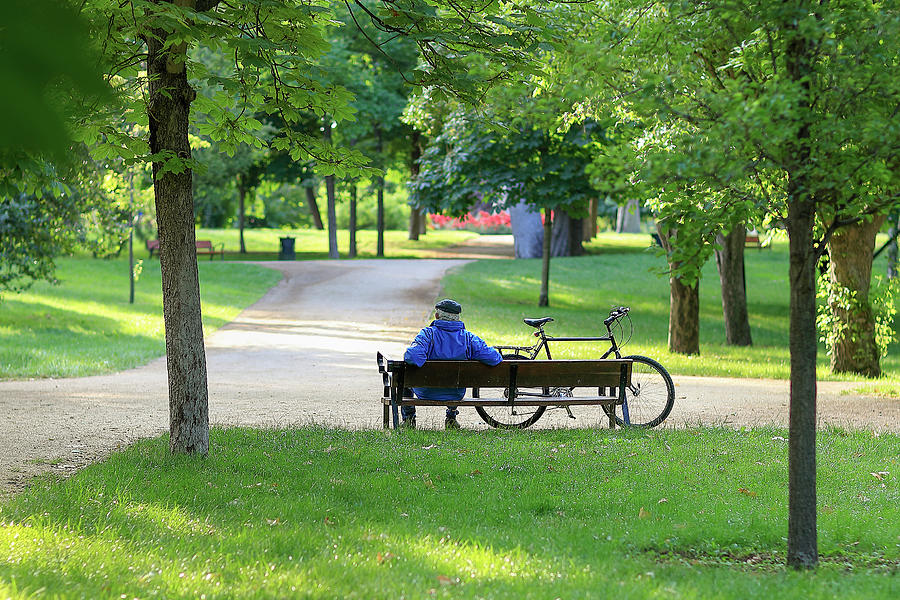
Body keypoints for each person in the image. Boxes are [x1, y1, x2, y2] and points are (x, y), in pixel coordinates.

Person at [402, 298, 502, 429]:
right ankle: (451, 418)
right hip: (456, 392)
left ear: (437, 316)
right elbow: (494, 358)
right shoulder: (469, 338)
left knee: (405, 379)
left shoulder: (427, 334)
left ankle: (409, 419)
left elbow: (412, 357)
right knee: (456, 379)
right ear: (458, 317)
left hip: (426, 390)